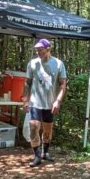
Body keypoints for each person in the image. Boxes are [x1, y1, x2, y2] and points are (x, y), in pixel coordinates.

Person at [23, 38, 67, 167]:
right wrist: (25, 100)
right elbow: (27, 82)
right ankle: (37, 155)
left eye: (40, 50)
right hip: (35, 102)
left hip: (50, 102)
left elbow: (63, 84)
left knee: (47, 130)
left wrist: (58, 101)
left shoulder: (58, 64)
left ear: (48, 49)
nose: (38, 53)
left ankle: (45, 152)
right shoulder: (32, 63)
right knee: (33, 127)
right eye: (37, 50)